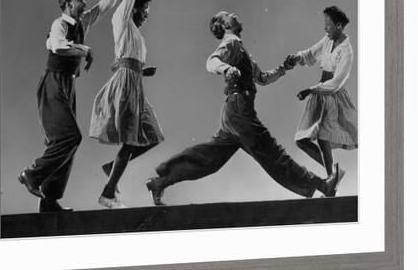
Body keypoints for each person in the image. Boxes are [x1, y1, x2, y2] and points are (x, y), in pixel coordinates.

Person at [145, 11, 341, 206]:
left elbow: (262, 78)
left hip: (233, 113)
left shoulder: (240, 48)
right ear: (225, 26)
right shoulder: (230, 44)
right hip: (239, 111)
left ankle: (160, 183)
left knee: (208, 160)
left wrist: (283, 68)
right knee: (272, 153)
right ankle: (323, 186)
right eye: (228, 15)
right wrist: (227, 69)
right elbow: (211, 61)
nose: (234, 14)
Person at [18, 0, 127, 213]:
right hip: (53, 85)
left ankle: (49, 201)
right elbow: (56, 46)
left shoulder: (82, 22)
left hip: (68, 86)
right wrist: (85, 49)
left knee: (65, 143)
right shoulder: (60, 25)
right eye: (79, 0)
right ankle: (31, 174)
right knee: (69, 137)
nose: (84, 3)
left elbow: (106, 3)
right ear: (67, 4)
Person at [89, 0, 164, 208]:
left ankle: (112, 168)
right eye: (143, 11)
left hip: (134, 86)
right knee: (131, 141)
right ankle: (108, 193)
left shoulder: (135, 35)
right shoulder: (121, 19)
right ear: (133, 8)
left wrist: (142, 70)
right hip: (125, 88)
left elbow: (118, 61)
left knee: (152, 136)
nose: (145, 16)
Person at [285, 6, 357, 186]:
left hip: (332, 96)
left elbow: (336, 82)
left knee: (324, 138)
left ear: (339, 26)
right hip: (319, 93)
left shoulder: (347, 51)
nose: (326, 29)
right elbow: (311, 54)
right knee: (302, 140)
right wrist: (296, 58)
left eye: (329, 25)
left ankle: (331, 180)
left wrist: (310, 90)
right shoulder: (327, 40)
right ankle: (333, 174)